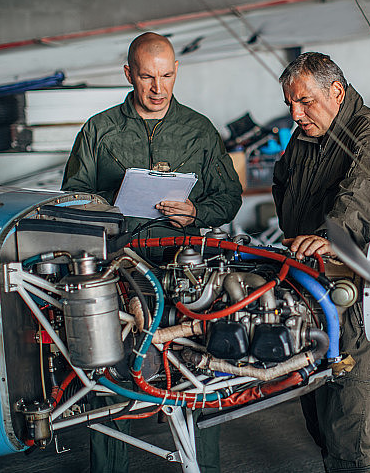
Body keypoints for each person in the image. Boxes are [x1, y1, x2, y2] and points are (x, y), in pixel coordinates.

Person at [63, 32, 241, 473]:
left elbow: (230, 196)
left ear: (176, 72)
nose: (158, 88)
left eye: (166, 76)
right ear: (129, 74)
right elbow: (71, 198)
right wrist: (112, 203)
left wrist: (197, 211)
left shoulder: (199, 130)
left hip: (185, 267)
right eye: (147, 77)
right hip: (120, 268)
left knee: (199, 369)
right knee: (111, 372)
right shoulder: (99, 129)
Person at [272, 52, 370, 473]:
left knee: (349, 415)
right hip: (307, 285)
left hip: (352, 290)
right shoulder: (304, 137)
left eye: (305, 101)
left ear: (336, 92)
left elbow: (362, 196)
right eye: (291, 103)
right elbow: (282, 184)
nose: (295, 113)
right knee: (315, 402)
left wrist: (327, 238)